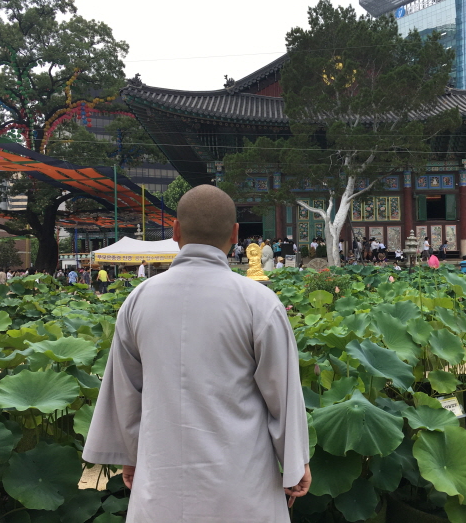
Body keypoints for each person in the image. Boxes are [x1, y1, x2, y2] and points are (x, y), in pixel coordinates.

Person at [82, 185, 310, 522]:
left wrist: (130, 456)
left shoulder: (138, 300)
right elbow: (283, 395)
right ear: (235, 233)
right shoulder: (259, 303)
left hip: (161, 479)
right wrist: (295, 464)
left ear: (175, 230)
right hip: (242, 483)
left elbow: (125, 394)